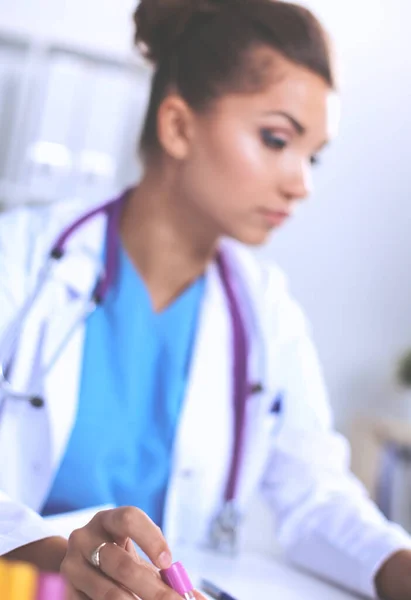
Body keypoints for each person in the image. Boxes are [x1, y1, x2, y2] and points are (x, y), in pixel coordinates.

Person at [1, 0, 411, 598]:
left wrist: (401, 567)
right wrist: (65, 562)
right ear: (177, 126)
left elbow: (316, 495)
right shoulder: (21, 260)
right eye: (277, 139)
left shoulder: (265, 310)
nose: (302, 183)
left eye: (313, 155)